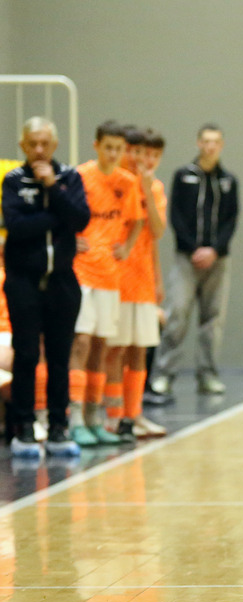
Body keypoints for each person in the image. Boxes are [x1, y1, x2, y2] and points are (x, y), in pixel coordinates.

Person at [1, 117, 92, 457]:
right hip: (23, 279)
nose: (39, 150)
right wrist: (57, 217)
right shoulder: (14, 180)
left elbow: (81, 219)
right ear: (23, 145)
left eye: (45, 143)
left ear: (54, 145)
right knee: (26, 353)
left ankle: (58, 426)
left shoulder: (70, 177)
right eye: (32, 144)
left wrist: (53, 188)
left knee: (59, 355)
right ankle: (24, 427)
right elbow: (16, 226)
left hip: (61, 281)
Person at [148, 124, 239, 400]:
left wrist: (214, 250)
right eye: (206, 141)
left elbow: (230, 220)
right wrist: (193, 248)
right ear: (198, 143)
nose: (210, 146)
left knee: (212, 320)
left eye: (215, 142)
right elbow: (175, 216)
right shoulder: (183, 176)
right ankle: (163, 375)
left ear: (221, 145)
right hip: (186, 259)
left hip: (218, 261)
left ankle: (208, 375)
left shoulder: (228, 180)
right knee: (176, 315)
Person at [68, 120, 145, 447]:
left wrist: (126, 247)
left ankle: (94, 418)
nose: (113, 153)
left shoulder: (127, 182)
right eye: (108, 147)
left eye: (118, 148)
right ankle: (73, 419)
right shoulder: (80, 177)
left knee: (101, 346)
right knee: (81, 342)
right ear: (96, 146)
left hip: (110, 275)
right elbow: (62, 213)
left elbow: (137, 220)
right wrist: (69, 240)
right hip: (82, 271)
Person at [104, 127, 167, 440]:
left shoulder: (154, 187)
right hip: (115, 277)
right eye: (137, 151)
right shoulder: (114, 182)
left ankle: (135, 414)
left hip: (142, 280)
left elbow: (156, 232)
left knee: (139, 350)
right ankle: (114, 417)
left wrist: (158, 279)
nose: (143, 159)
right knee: (115, 350)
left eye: (150, 154)